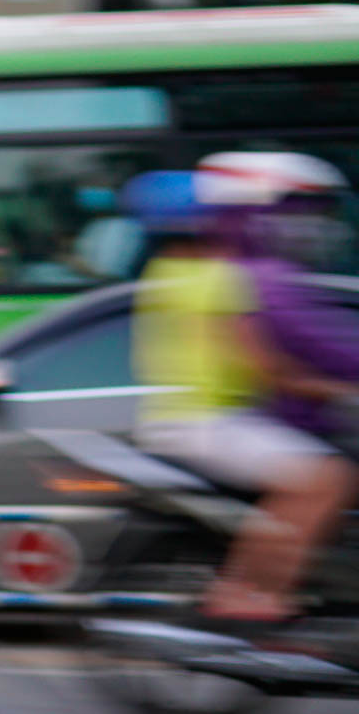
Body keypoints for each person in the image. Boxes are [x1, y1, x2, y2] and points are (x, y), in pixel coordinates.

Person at [129, 156, 359, 623]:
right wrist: (330, 387)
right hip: (212, 421)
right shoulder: (223, 280)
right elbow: (264, 367)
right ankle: (247, 591)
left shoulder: (165, 274)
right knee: (327, 480)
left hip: (180, 418)